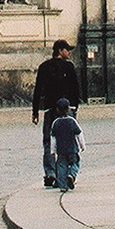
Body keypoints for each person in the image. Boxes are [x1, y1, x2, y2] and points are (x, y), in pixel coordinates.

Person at [31, 40, 81, 188]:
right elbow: (75, 89)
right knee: (70, 141)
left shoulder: (44, 67)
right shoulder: (69, 67)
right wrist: (75, 107)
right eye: (67, 50)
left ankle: (50, 173)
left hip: (50, 109)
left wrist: (35, 111)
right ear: (60, 50)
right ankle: (70, 172)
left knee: (49, 141)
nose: (69, 52)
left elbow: (38, 90)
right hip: (67, 109)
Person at [49, 98, 84, 191]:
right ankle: (71, 175)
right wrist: (82, 146)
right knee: (75, 163)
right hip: (73, 149)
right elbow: (79, 134)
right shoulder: (72, 121)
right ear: (68, 109)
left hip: (61, 151)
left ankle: (63, 186)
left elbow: (53, 139)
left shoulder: (55, 123)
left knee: (61, 167)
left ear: (57, 110)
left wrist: (52, 151)